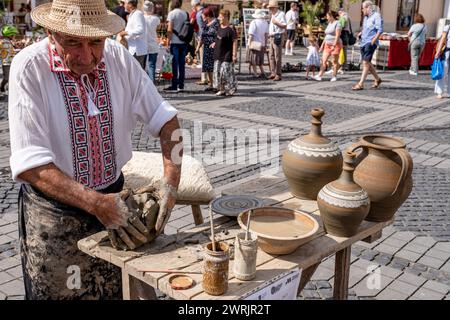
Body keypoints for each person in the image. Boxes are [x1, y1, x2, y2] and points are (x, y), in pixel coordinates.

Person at [10, 0, 182, 299]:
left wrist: (171, 180)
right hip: (57, 216)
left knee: (116, 291)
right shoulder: (29, 67)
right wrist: (96, 204)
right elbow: (31, 164)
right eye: (74, 42)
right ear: (51, 32)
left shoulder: (118, 57)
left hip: (115, 203)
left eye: (96, 42)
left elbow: (168, 121)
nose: (87, 56)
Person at [352, 1, 383, 90]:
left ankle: (360, 84)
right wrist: (360, 33)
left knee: (365, 63)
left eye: (363, 8)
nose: (362, 10)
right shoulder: (365, 18)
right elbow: (366, 28)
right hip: (363, 42)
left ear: (368, 7)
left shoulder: (376, 16)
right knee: (367, 62)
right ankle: (378, 79)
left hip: (370, 42)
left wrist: (374, 40)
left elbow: (379, 30)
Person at [165, 0, 189, 92]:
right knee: (182, 64)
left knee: (175, 65)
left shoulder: (172, 14)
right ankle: (181, 85)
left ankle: (174, 85)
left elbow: (170, 29)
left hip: (175, 42)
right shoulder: (185, 13)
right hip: (183, 42)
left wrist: (168, 42)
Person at [213, 9, 238, 96]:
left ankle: (231, 88)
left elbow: (235, 41)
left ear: (226, 17)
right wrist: (214, 43)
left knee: (226, 73)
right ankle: (222, 89)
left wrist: (234, 54)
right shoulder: (219, 27)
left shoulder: (231, 29)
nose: (219, 18)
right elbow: (218, 38)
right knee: (218, 72)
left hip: (227, 54)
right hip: (218, 53)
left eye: (220, 17)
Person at [313, 11, 342, 82]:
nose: (327, 18)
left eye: (327, 16)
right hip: (327, 44)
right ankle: (320, 75)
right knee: (324, 60)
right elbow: (326, 36)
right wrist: (322, 45)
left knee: (334, 61)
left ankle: (334, 76)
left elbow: (338, 35)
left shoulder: (337, 23)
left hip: (336, 44)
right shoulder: (329, 23)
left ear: (331, 16)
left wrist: (334, 45)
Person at [195, 8, 219, 92]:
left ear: (208, 15)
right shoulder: (206, 24)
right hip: (206, 48)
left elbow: (219, 36)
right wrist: (198, 47)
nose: (202, 18)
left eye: (203, 16)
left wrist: (215, 43)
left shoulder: (216, 23)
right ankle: (211, 84)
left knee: (213, 67)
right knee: (207, 67)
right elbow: (202, 37)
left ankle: (216, 85)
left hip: (214, 49)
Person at [118, 0, 147, 70]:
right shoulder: (133, 14)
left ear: (130, 4)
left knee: (137, 76)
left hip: (137, 51)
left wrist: (125, 33)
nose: (123, 5)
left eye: (125, 3)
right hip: (134, 50)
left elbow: (140, 29)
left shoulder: (137, 14)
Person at [268, 0, 286, 81]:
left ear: (275, 8)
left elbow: (284, 26)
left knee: (277, 56)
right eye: (270, 8)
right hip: (272, 36)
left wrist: (276, 23)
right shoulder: (273, 14)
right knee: (271, 56)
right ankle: (273, 73)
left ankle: (278, 74)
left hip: (278, 36)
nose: (270, 9)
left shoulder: (281, 14)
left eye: (271, 8)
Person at [248, 9, 269, 79]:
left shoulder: (254, 22)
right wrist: (266, 44)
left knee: (253, 59)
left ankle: (255, 73)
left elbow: (251, 35)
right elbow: (266, 35)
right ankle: (262, 72)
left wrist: (249, 44)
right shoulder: (265, 22)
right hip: (262, 43)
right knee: (260, 59)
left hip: (255, 43)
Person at [191, 0, 207, 85]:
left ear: (194, 5)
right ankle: (208, 77)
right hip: (210, 38)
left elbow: (202, 29)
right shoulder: (206, 10)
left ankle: (204, 78)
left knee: (203, 58)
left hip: (202, 39)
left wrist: (200, 41)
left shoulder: (198, 14)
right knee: (208, 58)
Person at [143, 1, 161, 82]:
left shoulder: (142, 18)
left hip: (143, 44)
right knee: (152, 66)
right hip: (153, 43)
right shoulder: (156, 19)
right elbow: (158, 29)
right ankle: (152, 85)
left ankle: (143, 84)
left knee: (142, 66)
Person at [0, 25, 19, 93]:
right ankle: (2, 86)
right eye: (13, 35)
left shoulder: (9, 42)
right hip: (6, 63)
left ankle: (11, 90)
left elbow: (10, 51)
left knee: (11, 77)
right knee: (7, 78)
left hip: (12, 62)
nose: (14, 36)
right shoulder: (2, 42)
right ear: (10, 35)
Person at [434, 24, 450, 99]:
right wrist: (438, 51)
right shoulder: (448, 27)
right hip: (447, 51)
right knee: (443, 71)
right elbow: (443, 38)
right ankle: (439, 92)